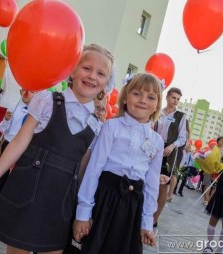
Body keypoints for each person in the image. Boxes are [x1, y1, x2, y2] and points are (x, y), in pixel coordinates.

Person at [0, 44, 115, 254]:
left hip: (61, 201)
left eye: (101, 73)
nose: (92, 76)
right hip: (28, 188)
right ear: (72, 70)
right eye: (86, 68)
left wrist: (80, 209)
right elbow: (19, 142)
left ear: (106, 83)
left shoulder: (97, 124)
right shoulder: (47, 101)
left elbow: (83, 166)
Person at [73, 73, 163, 254]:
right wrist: (83, 213)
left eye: (151, 97)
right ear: (125, 98)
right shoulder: (111, 127)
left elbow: (152, 184)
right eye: (137, 93)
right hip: (105, 200)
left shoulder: (157, 141)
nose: (143, 100)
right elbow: (94, 170)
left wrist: (146, 223)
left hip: (132, 207)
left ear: (156, 106)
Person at [0, 89, 37, 220]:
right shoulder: (15, 107)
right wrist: (6, 120)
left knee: (15, 181)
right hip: (9, 145)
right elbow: (3, 129)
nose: (26, 93)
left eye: (31, 91)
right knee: (1, 178)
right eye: (24, 90)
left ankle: (7, 210)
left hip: (25, 149)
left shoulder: (38, 113)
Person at [153, 87, 186, 225]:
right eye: (173, 98)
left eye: (178, 99)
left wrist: (172, 146)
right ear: (167, 97)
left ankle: (155, 219)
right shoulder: (157, 112)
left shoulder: (180, 116)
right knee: (147, 182)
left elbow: (183, 138)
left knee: (162, 186)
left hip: (168, 153)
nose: (175, 101)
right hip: (153, 149)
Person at [203, 136, 223, 205]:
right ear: (217, 141)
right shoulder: (213, 148)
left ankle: (210, 200)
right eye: (221, 140)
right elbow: (206, 155)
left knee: (215, 186)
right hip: (209, 168)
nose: (222, 142)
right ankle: (206, 200)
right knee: (207, 184)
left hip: (218, 170)